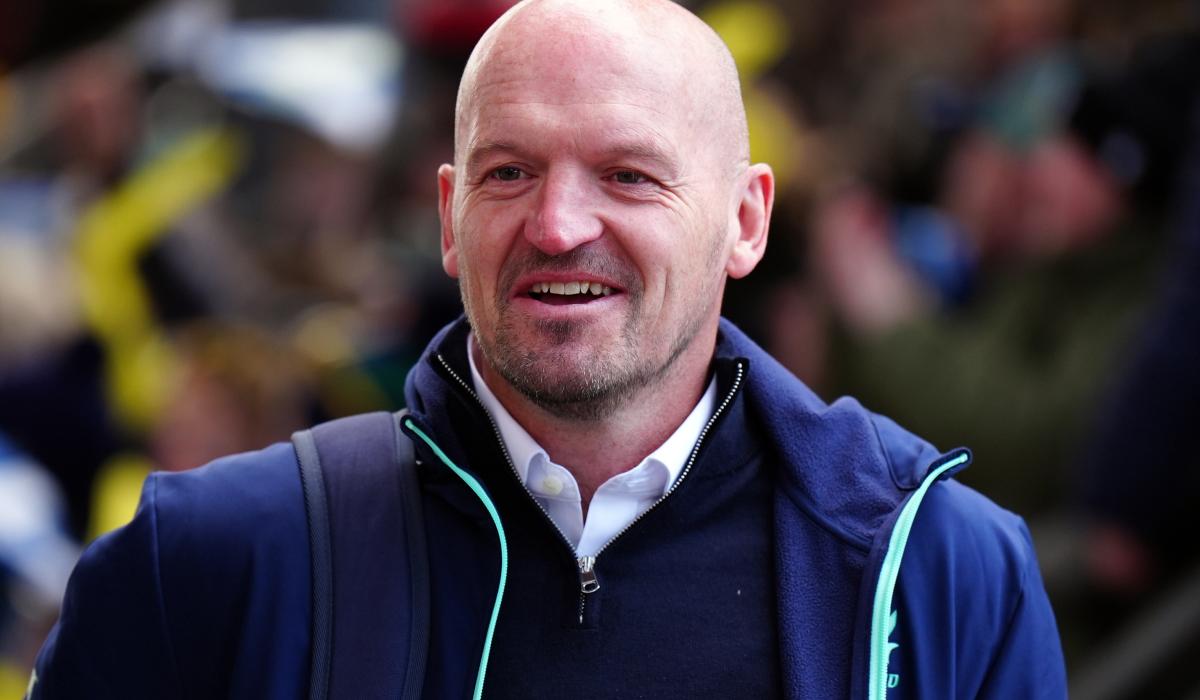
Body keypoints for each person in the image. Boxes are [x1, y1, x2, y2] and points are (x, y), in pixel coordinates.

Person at [28, 0, 1067, 697]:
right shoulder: (216, 558)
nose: (560, 225)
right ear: (450, 215)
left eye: (628, 175)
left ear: (745, 222)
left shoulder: (941, 574)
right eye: (510, 172)